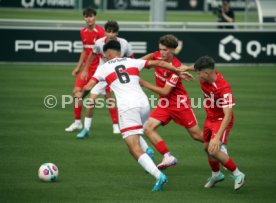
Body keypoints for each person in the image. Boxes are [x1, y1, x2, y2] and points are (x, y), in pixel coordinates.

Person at [79, 40, 192, 191]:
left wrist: (80, 96)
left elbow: (88, 86)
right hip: (143, 104)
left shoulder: (103, 68)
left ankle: (158, 176)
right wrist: (177, 70)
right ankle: (151, 152)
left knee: (133, 147)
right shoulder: (132, 61)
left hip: (128, 107)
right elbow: (160, 64)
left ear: (108, 54)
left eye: (105, 55)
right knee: (138, 132)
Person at [140, 34, 203, 170]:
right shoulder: (157, 56)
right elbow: (150, 56)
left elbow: (165, 91)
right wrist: (134, 64)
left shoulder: (176, 67)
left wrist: (144, 83)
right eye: (161, 49)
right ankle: (168, 156)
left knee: (196, 136)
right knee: (148, 128)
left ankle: (219, 146)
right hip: (164, 105)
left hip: (180, 104)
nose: (161, 52)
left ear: (173, 50)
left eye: (165, 50)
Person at [193, 55, 245, 190]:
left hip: (222, 120)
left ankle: (238, 174)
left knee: (213, 149)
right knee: (206, 148)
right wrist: (181, 71)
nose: (198, 77)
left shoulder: (223, 88)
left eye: (199, 74)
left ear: (207, 72)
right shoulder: (206, 75)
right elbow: (192, 68)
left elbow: (228, 115)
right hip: (209, 118)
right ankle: (216, 175)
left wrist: (217, 138)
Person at [76, 20, 133, 139]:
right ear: (105, 32)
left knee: (119, 100)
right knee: (92, 100)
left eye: (113, 32)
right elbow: (92, 54)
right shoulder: (99, 43)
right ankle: (86, 128)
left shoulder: (124, 43)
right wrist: (85, 69)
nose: (111, 34)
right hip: (102, 73)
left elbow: (131, 58)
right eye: (108, 31)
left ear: (117, 33)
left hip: (117, 75)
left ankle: (120, 125)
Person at [65, 8, 105, 132]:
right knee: (76, 95)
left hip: (97, 71)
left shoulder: (101, 32)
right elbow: (84, 51)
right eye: (86, 16)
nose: (88, 18)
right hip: (86, 70)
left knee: (105, 97)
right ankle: (77, 122)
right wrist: (78, 67)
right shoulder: (82, 32)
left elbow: (103, 52)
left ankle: (117, 124)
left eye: (91, 16)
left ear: (95, 17)